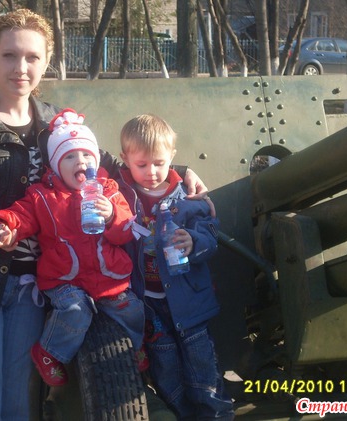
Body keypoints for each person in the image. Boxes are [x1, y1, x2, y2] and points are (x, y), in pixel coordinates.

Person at [0, 8, 207, 420]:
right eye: (10, 55)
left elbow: (116, 167)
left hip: (34, 287)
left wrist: (181, 173)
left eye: (32, 57)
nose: (21, 67)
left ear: (46, 61)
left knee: (20, 405)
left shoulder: (57, 124)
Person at [0, 108, 145, 387]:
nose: (80, 161)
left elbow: (125, 233)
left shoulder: (108, 192)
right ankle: (49, 352)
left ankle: (136, 345)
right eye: (69, 157)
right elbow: (23, 215)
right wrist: (7, 224)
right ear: (56, 165)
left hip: (107, 275)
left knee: (131, 308)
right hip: (65, 278)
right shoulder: (43, 196)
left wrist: (111, 216)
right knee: (75, 311)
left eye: (86, 155)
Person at [116, 114, 235, 420]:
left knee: (203, 371)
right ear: (125, 159)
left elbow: (210, 236)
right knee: (165, 370)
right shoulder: (120, 195)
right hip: (148, 304)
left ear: (172, 157)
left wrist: (194, 242)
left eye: (159, 163)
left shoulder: (189, 199)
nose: (151, 172)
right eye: (142, 164)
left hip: (187, 301)